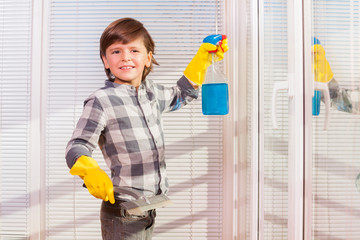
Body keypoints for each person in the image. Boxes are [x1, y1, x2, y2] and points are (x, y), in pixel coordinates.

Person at [65, 17, 228, 240]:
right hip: (122, 211)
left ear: (148, 58)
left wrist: (202, 60)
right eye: (116, 52)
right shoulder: (101, 101)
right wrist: (88, 169)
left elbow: (182, 94)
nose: (125, 57)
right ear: (105, 60)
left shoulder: (152, 94)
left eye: (134, 50)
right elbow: (78, 145)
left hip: (149, 206)